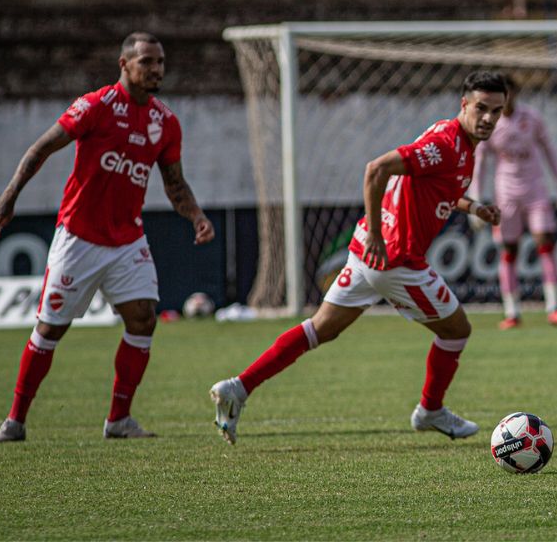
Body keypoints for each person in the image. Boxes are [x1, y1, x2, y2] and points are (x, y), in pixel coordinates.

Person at [209, 72, 509, 446]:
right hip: (395, 259)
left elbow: (437, 188)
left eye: (497, 111)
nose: (489, 118)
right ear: (464, 105)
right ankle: (430, 410)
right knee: (457, 330)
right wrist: (380, 239)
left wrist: (474, 207)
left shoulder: (457, 142)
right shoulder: (446, 144)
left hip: (367, 252)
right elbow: (376, 168)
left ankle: (238, 387)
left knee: (321, 329)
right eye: (481, 108)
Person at [0, 33, 216, 444]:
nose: (157, 69)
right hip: (79, 237)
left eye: (160, 62)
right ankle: (15, 420)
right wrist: (8, 195)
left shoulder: (166, 122)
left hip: (127, 239)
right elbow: (42, 148)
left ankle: (119, 420)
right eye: (147, 61)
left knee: (144, 317)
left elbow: (174, 183)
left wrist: (196, 216)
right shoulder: (95, 106)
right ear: (124, 64)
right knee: (50, 329)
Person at [472, 75, 557, 329]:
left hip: (535, 189)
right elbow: (480, 162)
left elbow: (548, 149)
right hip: (506, 194)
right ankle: (512, 311)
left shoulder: (531, 118)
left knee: (544, 242)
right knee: (509, 250)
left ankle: (554, 307)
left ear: (514, 93)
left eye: (509, 93)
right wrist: (475, 199)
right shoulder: (489, 124)